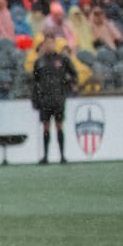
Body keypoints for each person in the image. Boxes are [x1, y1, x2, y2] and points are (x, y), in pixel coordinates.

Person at [29, 35, 78, 164]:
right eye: (47, 43)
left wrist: (68, 87)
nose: (49, 45)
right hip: (44, 99)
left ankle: (62, 156)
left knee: (59, 126)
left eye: (51, 42)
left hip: (58, 99)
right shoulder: (39, 62)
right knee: (46, 127)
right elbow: (35, 82)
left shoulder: (62, 60)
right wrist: (35, 99)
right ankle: (45, 156)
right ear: (43, 45)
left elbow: (74, 74)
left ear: (55, 44)